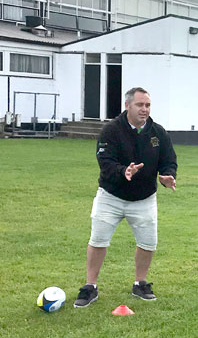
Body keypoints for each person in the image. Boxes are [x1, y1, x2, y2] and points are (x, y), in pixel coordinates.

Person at [74, 87, 177, 308]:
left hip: (144, 199)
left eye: (148, 105)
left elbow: (169, 160)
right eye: (140, 105)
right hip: (111, 196)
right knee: (98, 240)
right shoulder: (111, 130)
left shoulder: (158, 133)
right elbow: (105, 161)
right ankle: (90, 286)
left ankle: (140, 283)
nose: (145, 109)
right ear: (127, 106)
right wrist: (124, 171)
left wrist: (167, 175)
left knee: (148, 243)